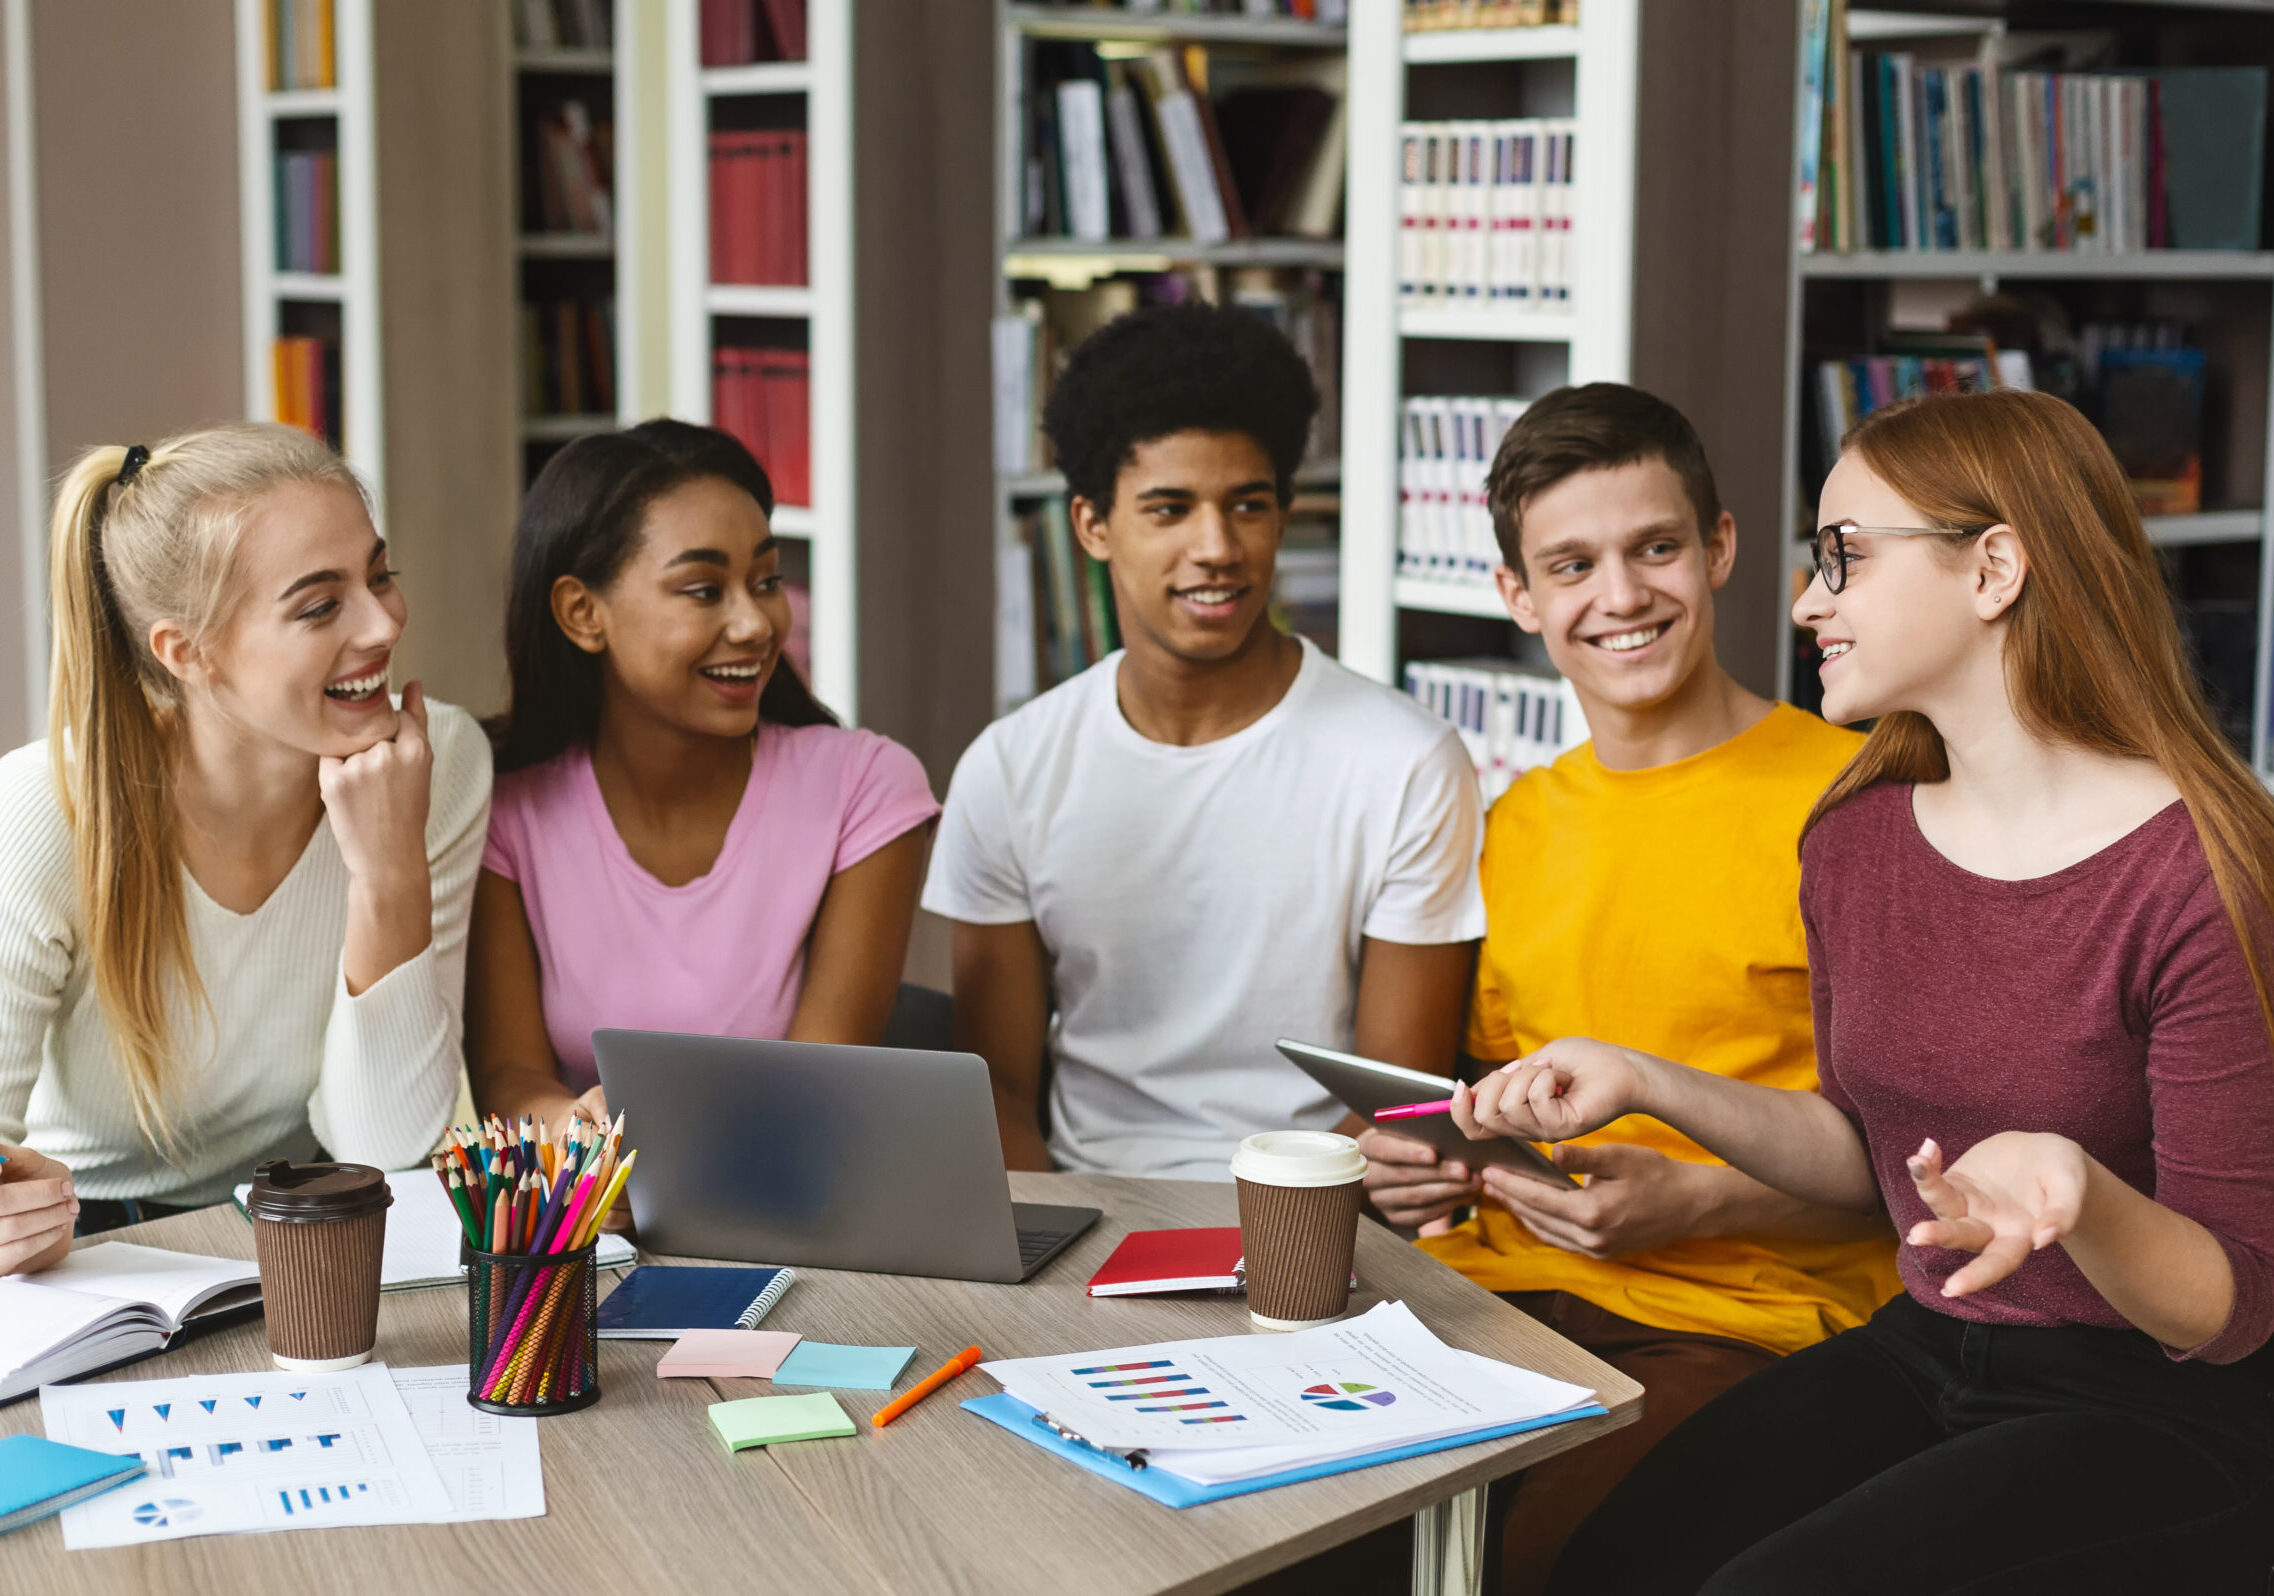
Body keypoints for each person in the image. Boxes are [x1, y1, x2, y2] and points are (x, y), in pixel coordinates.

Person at [1456, 390, 2274, 1593]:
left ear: (1993, 567)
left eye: (1842, 557)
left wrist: (2076, 1197)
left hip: (2162, 1403)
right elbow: (1865, 1154)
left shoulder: (2204, 868)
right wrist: (1642, 1081)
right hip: (1928, 1344)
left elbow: (2231, 1304)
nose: (1804, 601)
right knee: (1610, 1564)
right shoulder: (1857, 836)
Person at [1354, 384, 1898, 1593]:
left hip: (1745, 1325)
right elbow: (1481, 1099)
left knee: (1563, 1566)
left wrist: (1695, 1206)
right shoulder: (1507, 826)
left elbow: (1919, 1171)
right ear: (1517, 597)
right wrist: (1423, 1163)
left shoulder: (1854, 803)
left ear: (1717, 548)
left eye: (1654, 547)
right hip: (1491, 1302)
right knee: (1273, 1538)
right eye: (1570, 564)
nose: (1619, 597)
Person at [924, 301, 1486, 1180]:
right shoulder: (1010, 766)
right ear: (1093, 526)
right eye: (1170, 508)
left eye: (1247, 506)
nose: (1216, 546)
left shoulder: (1407, 762)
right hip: (1084, 1212)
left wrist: (1261, 1233)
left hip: (1318, 1208)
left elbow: (1395, 1096)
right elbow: (997, 1094)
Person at [0, 425, 491, 1272]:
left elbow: (386, 1144)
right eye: (320, 605)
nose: (383, 623)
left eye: (379, 576)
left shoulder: (436, 763)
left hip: (308, 1225)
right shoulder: (45, 805)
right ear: (188, 653)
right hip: (88, 1249)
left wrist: (387, 870)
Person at [467, 421, 938, 1127]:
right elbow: (510, 1074)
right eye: (703, 589)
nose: (755, 624)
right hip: (595, 1217)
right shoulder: (506, 808)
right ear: (581, 613)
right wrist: (568, 1128)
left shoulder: (866, 790)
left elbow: (821, 1083)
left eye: (767, 581)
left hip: (786, 1205)